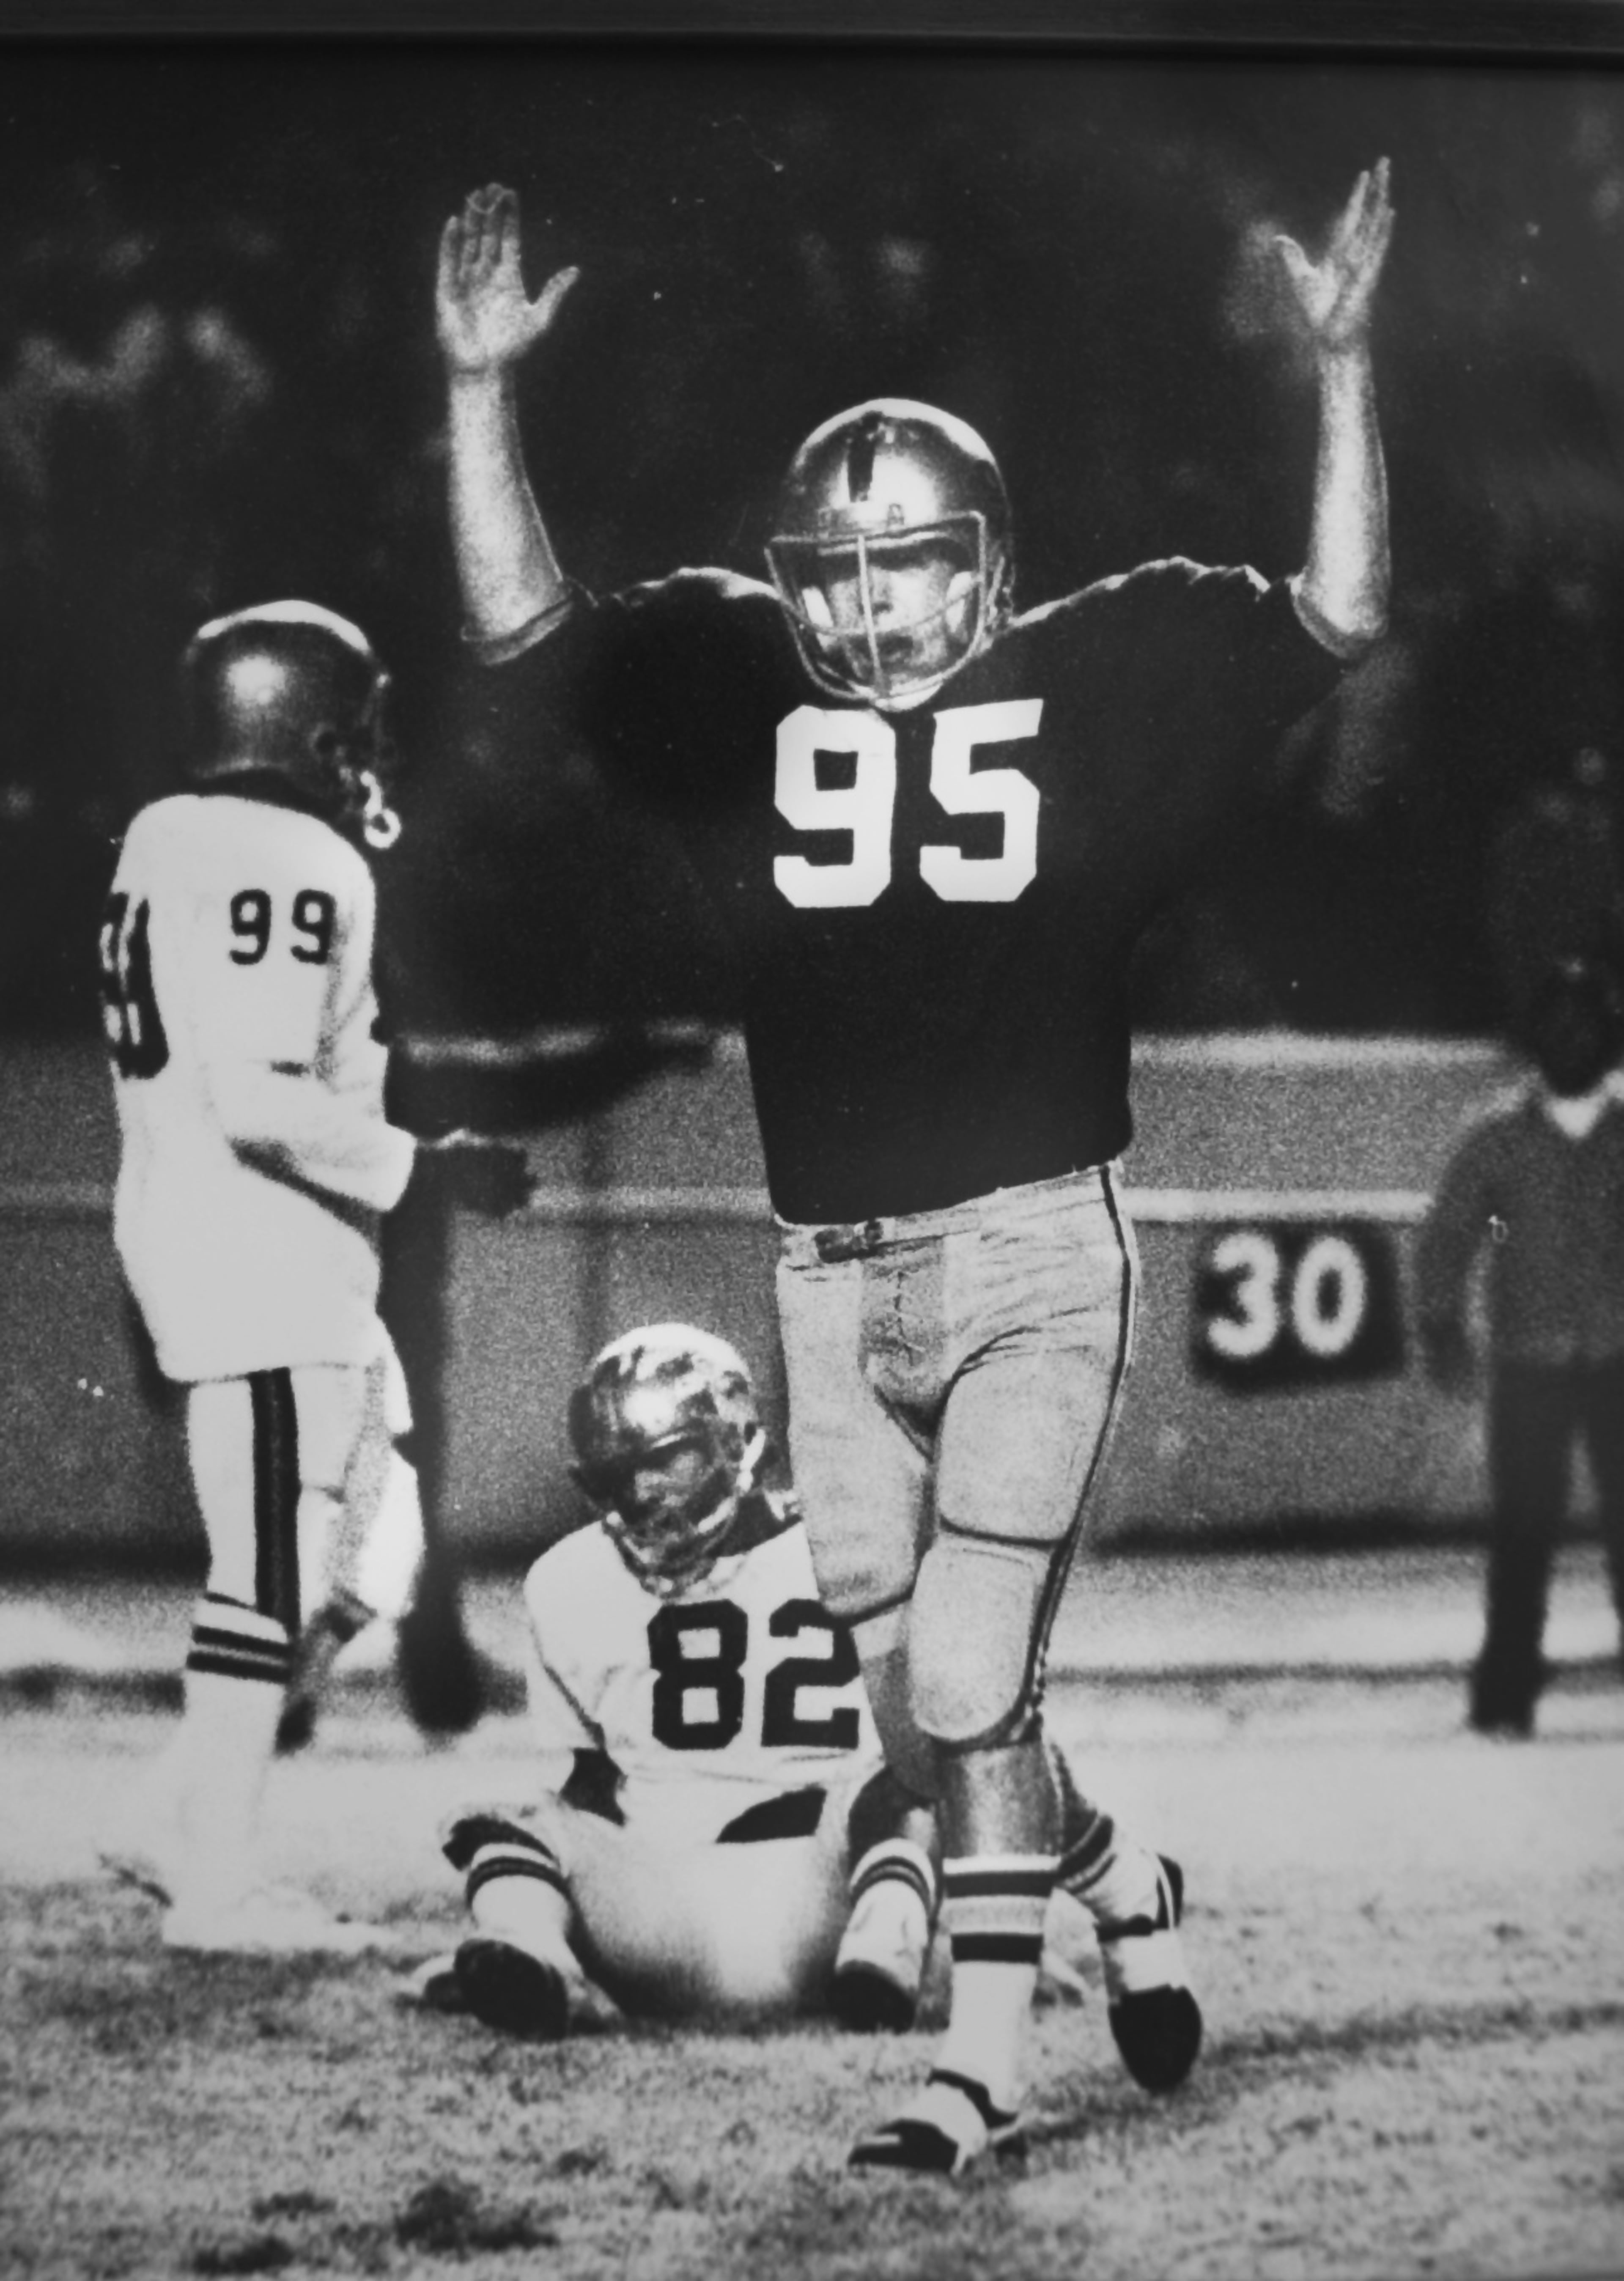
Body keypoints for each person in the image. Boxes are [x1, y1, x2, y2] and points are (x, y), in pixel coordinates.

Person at [433, 161, 1391, 2170]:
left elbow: (1333, 613)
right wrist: (476, 394)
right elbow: (524, 625)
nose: (868, 606)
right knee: (917, 1683)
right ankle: (1116, 1880)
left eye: (910, 568)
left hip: (1035, 1248)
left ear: (991, 566)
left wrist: (1342, 369)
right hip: (824, 1266)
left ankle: (976, 2073)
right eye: (839, 573)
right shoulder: (743, 671)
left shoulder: (1105, 669)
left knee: (964, 1673)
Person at [415, 1322, 1184, 2062]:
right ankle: (543, 1959)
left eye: (667, 1458)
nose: (644, 1490)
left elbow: (589, 1794)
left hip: (698, 1926)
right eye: (619, 1473)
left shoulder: (565, 1581)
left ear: (733, 1437)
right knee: (917, 1772)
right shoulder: (860, 1541)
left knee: (524, 1824)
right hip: (798, 1915)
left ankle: (534, 1937)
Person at [97, 598, 483, 1953]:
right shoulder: (293, 856)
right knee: (267, 1570)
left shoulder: (163, 836)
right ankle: (217, 1888)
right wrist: (421, 1160)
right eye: (355, 729)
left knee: (376, 1543)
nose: (365, 755)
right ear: (313, 728)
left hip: (240, 1249)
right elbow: (263, 1097)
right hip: (265, 1257)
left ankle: (170, 1814)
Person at [1416, 955, 1624, 1737]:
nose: (1573, 1038)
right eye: (1558, 1024)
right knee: (1523, 1532)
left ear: (1610, 1038)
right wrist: (1443, 1330)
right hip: (1529, 1365)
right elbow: (1446, 1240)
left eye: (1588, 1024)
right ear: (1537, 1039)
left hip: (1619, 1361)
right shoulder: (1498, 1139)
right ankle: (1505, 1695)